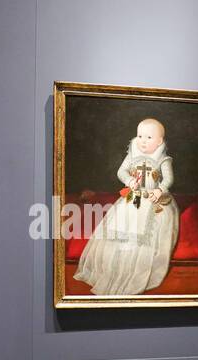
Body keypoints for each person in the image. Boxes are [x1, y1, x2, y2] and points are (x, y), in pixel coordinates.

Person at [74, 117, 180, 295]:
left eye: (148, 137)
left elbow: (169, 179)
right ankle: (115, 266)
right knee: (120, 226)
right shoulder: (132, 155)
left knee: (150, 234)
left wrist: (159, 190)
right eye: (140, 136)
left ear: (160, 141)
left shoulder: (163, 159)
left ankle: (137, 268)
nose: (143, 141)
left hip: (153, 199)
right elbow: (121, 171)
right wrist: (130, 181)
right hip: (133, 198)